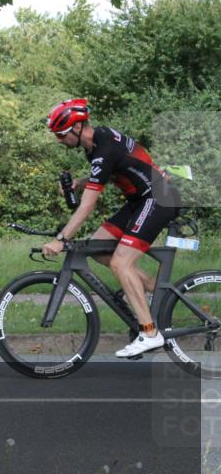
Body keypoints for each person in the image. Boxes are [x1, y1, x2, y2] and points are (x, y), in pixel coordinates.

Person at [40, 98, 180, 358]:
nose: (59, 140)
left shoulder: (102, 151)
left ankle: (150, 333)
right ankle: (151, 294)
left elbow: (87, 207)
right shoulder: (97, 141)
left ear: (77, 127)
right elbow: (119, 167)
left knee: (121, 263)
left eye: (61, 134)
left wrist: (61, 239)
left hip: (158, 198)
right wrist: (81, 182)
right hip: (141, 199)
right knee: (97, 247)